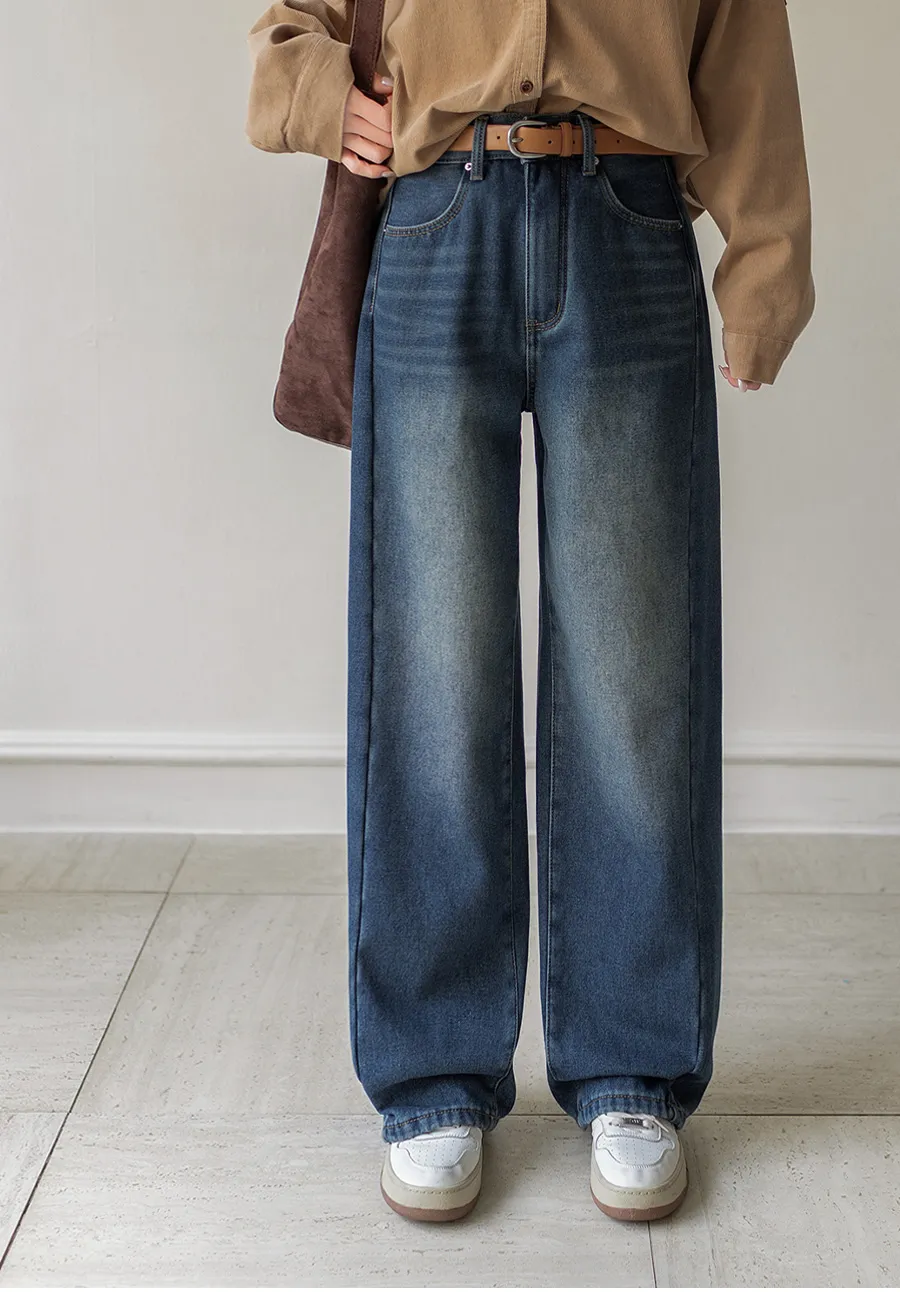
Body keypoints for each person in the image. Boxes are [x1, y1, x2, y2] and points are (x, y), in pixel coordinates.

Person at [245, 0, 815, 1224]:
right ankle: (433, 1071)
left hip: (631, 219)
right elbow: (293, 26)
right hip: (435, 217)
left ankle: (633, 1065)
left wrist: (766, 259)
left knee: (637, 674)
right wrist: (318, 96)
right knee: (432, 669)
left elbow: (744, 41)